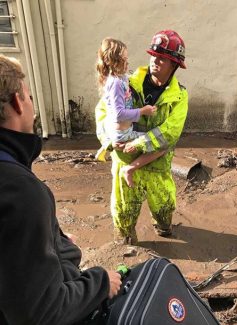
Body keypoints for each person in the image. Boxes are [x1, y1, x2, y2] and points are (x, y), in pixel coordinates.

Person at [0, 55, 121, 324]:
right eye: (29, 97)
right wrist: (100, 282)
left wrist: (54, 241)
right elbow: (41, 313)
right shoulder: (21, 192)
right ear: (19, 103)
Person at [106, 30, 188, 245]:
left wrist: (138, 143)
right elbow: (104, 112)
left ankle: (163, 228)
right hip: (125, 161)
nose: (155, 61)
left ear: (174, 65)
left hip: (156, 164)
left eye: (163, 58)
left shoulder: (179, 96)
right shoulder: (126, 84)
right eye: (154, 55)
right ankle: (125, 243)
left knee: (164, 207)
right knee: (124, 210)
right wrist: (108, 136)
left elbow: (170, 132)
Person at [95, 37, 166, 187]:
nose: (128, 62)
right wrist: (142, 111)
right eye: (124, 60)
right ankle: (130, 169)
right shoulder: (115, 84)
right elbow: (118, 114)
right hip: (125, 133)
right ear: (113, 62)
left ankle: (109, 143)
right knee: (162, 146)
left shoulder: (121, 78)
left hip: (119, 128)